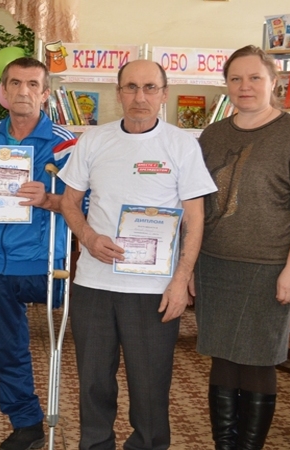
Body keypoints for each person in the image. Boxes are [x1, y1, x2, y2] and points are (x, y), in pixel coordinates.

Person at [59, 59, 217, 450]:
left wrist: (181, 280)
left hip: (153, 291)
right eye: (130, 87)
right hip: (94, 284)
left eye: (149, 88)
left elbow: (195, 219)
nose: (139, 97)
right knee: (93, 382)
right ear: (119, 93)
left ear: (164, 94)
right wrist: (88, 237)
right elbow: (69, 202)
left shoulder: (181, 145)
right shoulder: (94, 140)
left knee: (150, 387)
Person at [193, 45, 290, 450]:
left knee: (258, 361)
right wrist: (189, 266)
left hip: (268, 269)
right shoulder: (213, 135)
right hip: (214, 266)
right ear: (226, 85)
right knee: (222, 358)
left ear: (273, 82)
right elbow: (194, 205)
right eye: (235, 78)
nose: (244, 86)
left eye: (254, 78)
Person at [0, 57, 76, 450]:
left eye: (32, 84)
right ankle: (26, 423)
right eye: (15, 83)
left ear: (45, 94)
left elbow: (82, 202)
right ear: (3, 92)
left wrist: (49, 199)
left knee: (57, 343)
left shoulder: (63, 142)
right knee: (7, 348)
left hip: (45, 262)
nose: (23, 91)